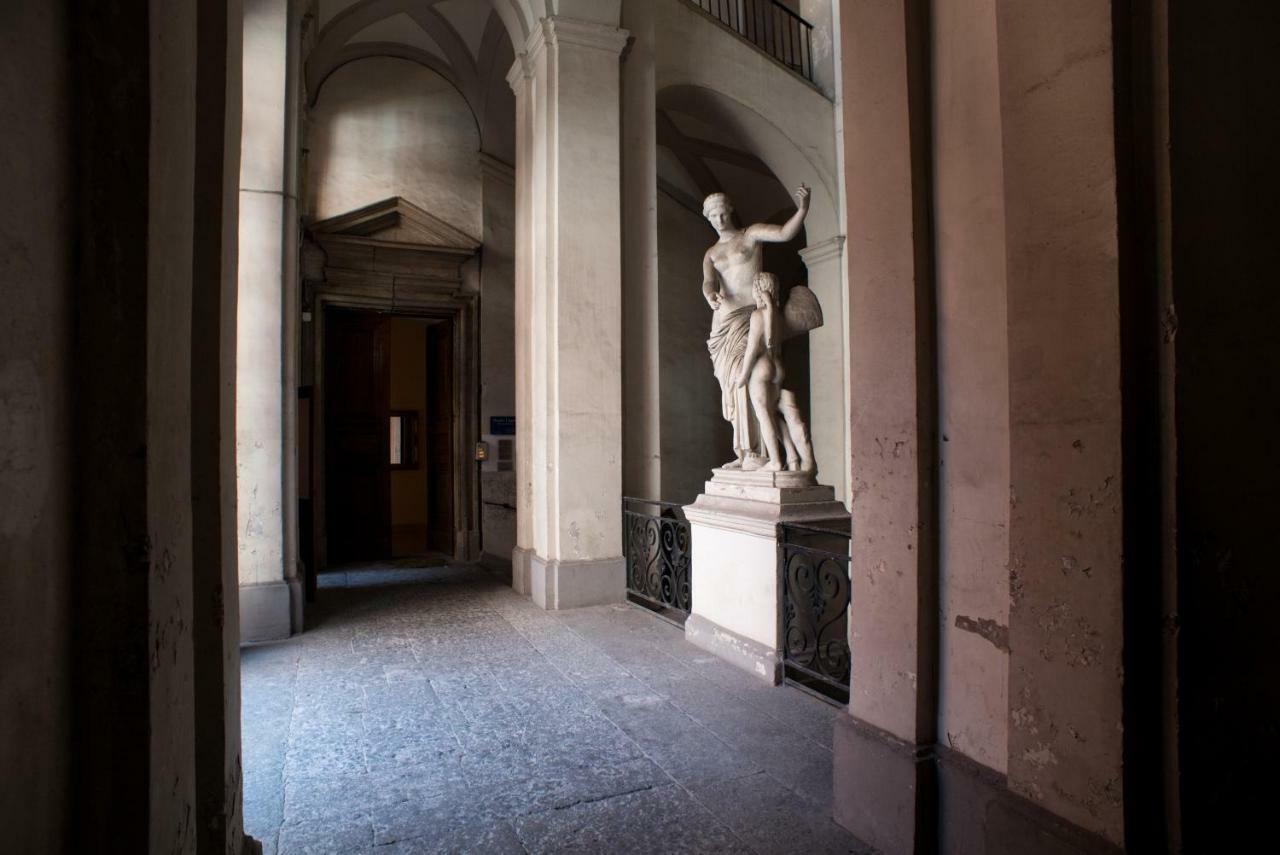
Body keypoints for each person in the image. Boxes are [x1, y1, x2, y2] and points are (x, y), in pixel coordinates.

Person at [701, 185, 810, 469]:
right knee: (733, 384)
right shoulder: (711, 253)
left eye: (722, 212)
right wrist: (710, 294)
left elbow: (785, 233)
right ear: (708, 219)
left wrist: (802, 210)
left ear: (730, 210)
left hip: (751, 317)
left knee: (750, 378)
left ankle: (761, 453)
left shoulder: (750, 235)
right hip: (724, 324)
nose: (719, 219)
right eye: (712, 216)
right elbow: (709, 281)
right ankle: (744, 452)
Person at [732, 272, 815, 474]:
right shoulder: (778, 314)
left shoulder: (758, 315)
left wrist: (743, 375)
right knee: (774, 414)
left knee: (764, 416)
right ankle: (793, 458)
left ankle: (776, 461)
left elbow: (752, 349)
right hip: (778, 368)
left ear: (758, 290)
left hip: (762, 368)